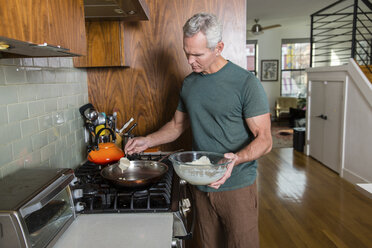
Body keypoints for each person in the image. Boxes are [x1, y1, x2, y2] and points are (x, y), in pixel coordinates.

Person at [125, 12, 272, 248]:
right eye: (187, 53)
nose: (190, 61)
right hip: (200, 186)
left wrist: (237, 158)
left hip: (237, 186)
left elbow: (265, 139)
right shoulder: (190, 83)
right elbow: (177, 126)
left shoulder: (246, 83)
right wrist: (147, 140)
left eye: (197, 54)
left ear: (219, 47)